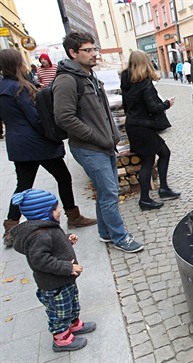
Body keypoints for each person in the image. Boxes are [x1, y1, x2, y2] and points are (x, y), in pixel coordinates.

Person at [53, 31, 144, 253]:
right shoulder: (67, 80)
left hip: (104, 146)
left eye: (95, 49)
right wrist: (97, 137)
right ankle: (120, 237)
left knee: (106, 193)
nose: (94, 54)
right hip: (89, 148)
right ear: (73, 53)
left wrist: (112, 138)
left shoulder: (88, 75)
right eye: (88, 50)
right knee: (111, 194)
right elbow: (64, 117)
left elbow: (102, 112)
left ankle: (106, 233)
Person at [0, 48, 96, 246]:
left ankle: (11, 228)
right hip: (37, 143)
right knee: (63, 177)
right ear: (16, 64)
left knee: (23, 185)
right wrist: (52, 133)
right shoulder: (19, 88)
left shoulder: (2, 87)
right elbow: (35, 118)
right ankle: (73, 216)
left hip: (17, 143)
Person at [10, 189, 96, 352]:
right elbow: (41, 260)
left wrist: (66, 239)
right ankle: (61, 340)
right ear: (43, 213)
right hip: (55, 284)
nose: (60, 211)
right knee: (59, 310)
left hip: (65, 280)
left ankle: (73, 324)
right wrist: (67, 267)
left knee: (71, 303)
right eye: (56, 209)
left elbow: (54, 245)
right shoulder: (39, 235)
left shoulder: (47, 228)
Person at [120, 50, 181, 211]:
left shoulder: (126, 82)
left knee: (163, 153)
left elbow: (126, 106)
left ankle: (163, 189)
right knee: (147, 162)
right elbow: (153, 107)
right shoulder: (144, 82)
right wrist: (167, 103)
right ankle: (145, 199)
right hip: (143, 127)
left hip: (134, 125)